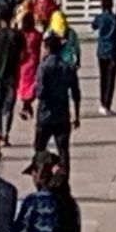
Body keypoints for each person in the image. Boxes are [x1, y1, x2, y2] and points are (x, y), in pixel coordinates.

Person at [32, 31, 81, 166]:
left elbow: (40, 92)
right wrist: (76, 116)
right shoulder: (68, 67)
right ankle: (63, 177)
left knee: (39, 148)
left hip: (45, 113)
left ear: (47, 48)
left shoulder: (43, 67)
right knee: (63, 149)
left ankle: (41, 174)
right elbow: (76, 93)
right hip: (62, 113)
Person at [0, 8, 22, 143]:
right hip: (12, 75)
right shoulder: (17, 35)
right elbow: (23, 55)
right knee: (8, 107)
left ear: (0, 21)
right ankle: (6, 134)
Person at [91, 0, 116, 115]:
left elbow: (93, 25)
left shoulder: (100, 18)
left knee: (103, 77)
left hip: (102, 50)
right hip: (113, 50)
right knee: (111, 79)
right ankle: (107, 104)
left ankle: (102, 103)